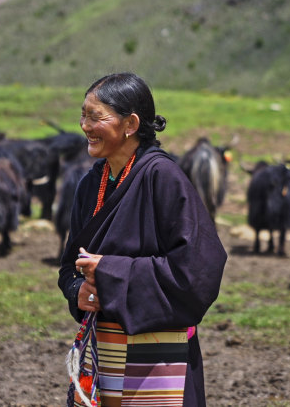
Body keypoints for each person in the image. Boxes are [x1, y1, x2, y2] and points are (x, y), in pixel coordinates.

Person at [58, 72, 228, 406]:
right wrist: (78, 291)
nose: (84, 126)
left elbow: (199, 272)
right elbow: (68, 267)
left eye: (96, 117)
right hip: (102, 352)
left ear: (130, 124)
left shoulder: (164, 179)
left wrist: (109, 273)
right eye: (83, 115)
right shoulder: (90, 185)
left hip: (161, 358)